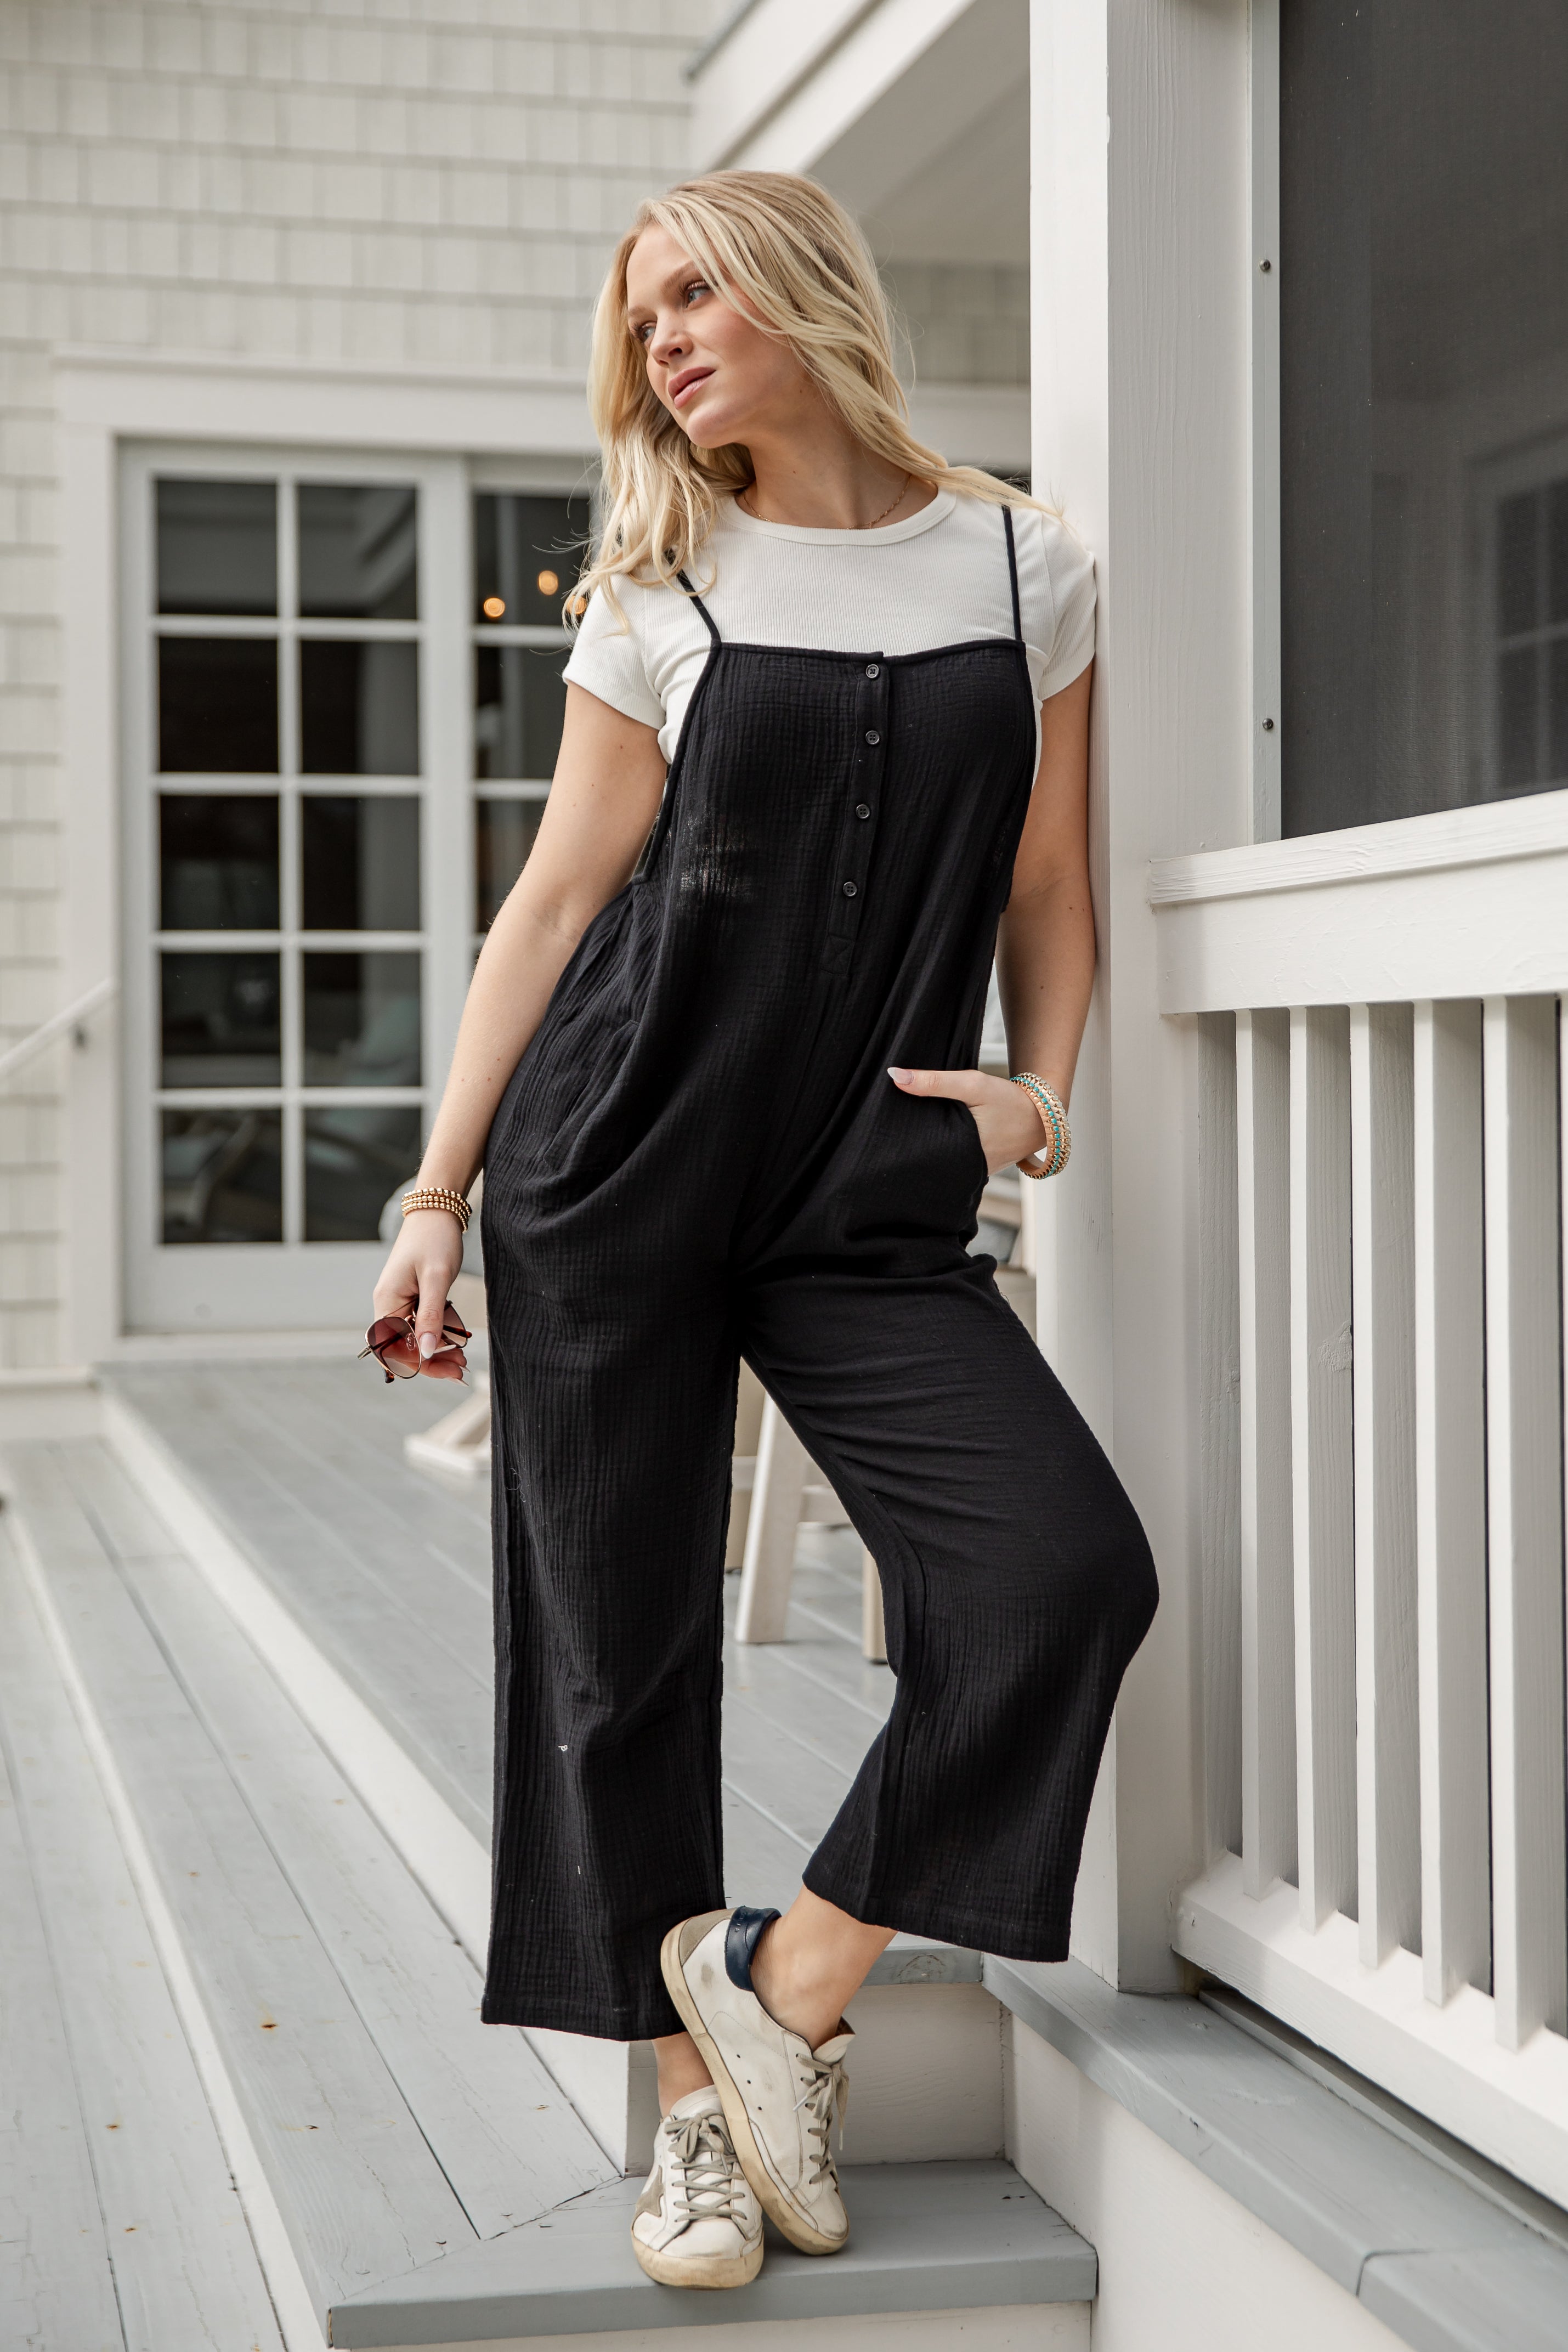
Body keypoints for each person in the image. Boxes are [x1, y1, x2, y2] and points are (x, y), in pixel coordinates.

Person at [369, 169, 1158, 2293]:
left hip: (866, 1193)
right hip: (615, 1160)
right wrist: (436, 1192)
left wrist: (1037, 1091)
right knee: (619, 1662)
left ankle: (786, 1976)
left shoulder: (1023, 563)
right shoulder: (659, 583)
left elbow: (1051, 891)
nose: (668, 340)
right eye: (644, 319)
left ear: (809, 285)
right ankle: (696, 2132)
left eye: (699, 291)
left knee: (1055, 1573)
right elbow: (553, 901)